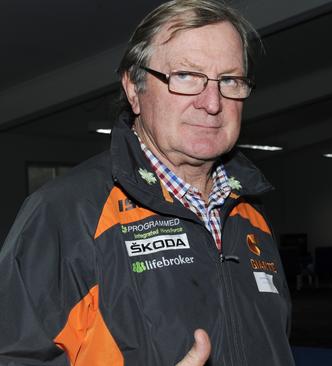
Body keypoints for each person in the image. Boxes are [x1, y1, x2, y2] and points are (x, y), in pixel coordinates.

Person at [0, 1, 294, 365]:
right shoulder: (66, 213)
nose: (213, 102)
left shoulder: (249, 212)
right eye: (186, 76)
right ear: (134, 89)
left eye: (230, 80)